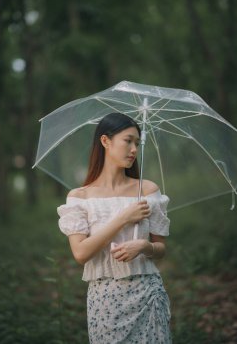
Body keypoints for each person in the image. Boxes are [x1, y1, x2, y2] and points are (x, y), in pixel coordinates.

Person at [57, 112, 172, 344]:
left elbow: (161, 248)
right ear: (105, 141)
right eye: (127, 141)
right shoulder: (80, 197)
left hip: (147, 293)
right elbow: (80, 253)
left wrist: (144, 246)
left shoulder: (148, 191)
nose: (133, 149)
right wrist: (123, 218)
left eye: (137, 143)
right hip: (105, 299)